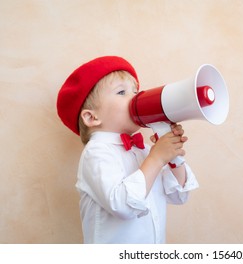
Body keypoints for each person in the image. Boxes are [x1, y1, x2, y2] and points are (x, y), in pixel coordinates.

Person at [56, 56, 199, 243]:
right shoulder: (96, 153)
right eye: (122, 92)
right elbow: (123, 205)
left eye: (135, 91)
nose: (135, 98)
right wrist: (156, 158)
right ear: (92, 117)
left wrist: (172, 157)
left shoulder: (144, 151)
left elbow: (179, 195)